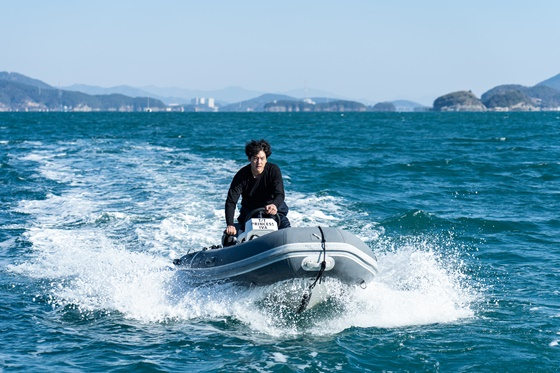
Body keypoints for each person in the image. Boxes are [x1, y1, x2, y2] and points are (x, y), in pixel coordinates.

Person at [224, 139, 290, 241]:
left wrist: (274, 205)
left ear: (266, 159)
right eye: (255, 158)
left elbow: (280, 194)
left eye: (262, 158)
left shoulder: (273, 170)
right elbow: (231, 201)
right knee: (231, 237)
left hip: (274, 211)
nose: (259, 162)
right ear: (249, 159)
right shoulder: (241, 176)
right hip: (250, 213)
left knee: (287, 231)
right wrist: (230, 224)